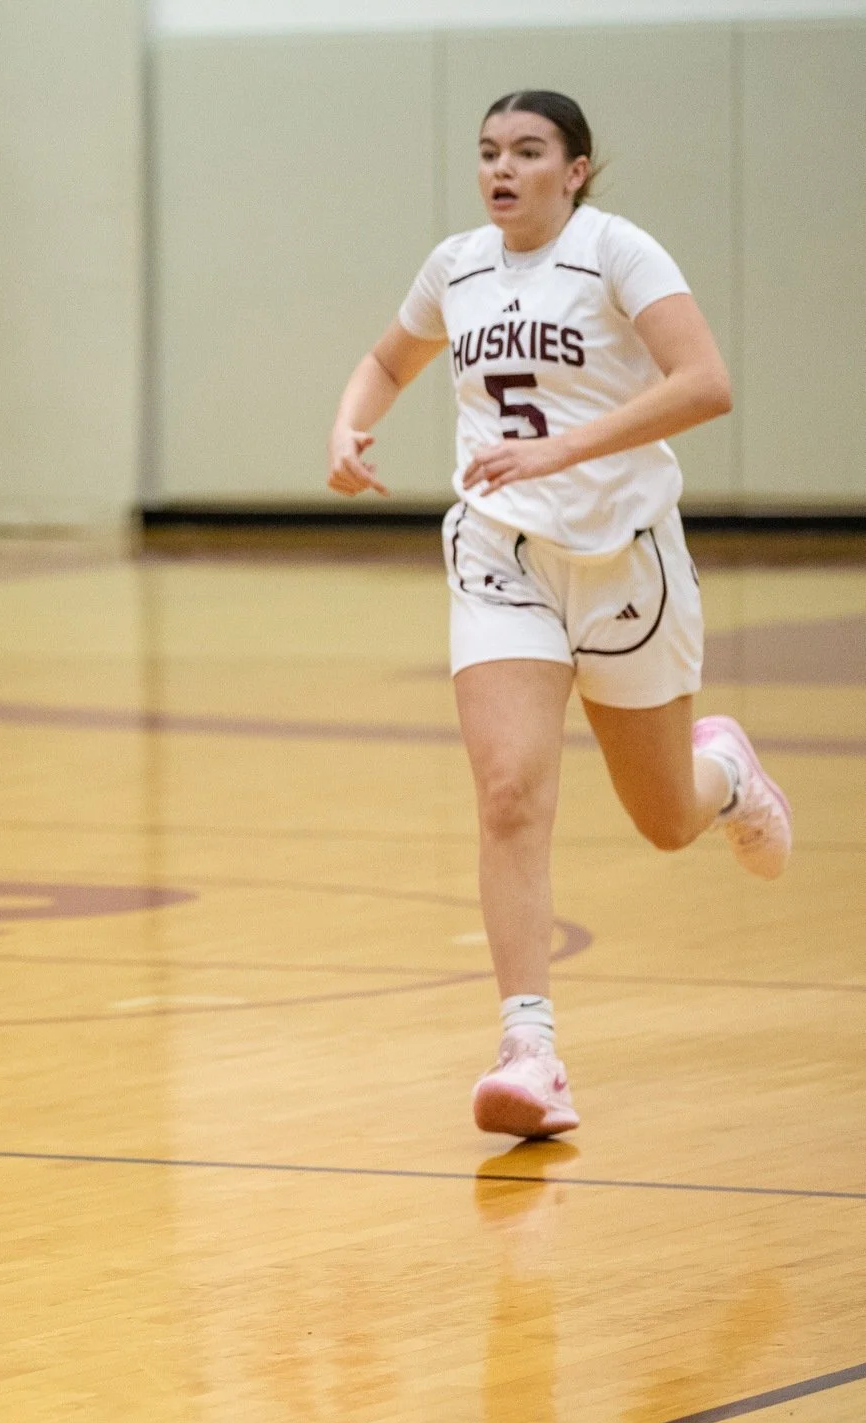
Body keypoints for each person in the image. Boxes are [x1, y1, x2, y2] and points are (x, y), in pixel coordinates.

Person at [326, 90, 791, 1140]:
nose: (502, 168)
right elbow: (385, 359)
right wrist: (349, 427)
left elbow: (704, 382)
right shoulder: (454, 265)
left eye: (527, 152)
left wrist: (559, 451)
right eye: (488, 152)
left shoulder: (615, 252)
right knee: (505, 791)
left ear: (573, 169)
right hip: (499, 555)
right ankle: (527, 1050)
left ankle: (725, 776)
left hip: (624, 561)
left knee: (664, 817)